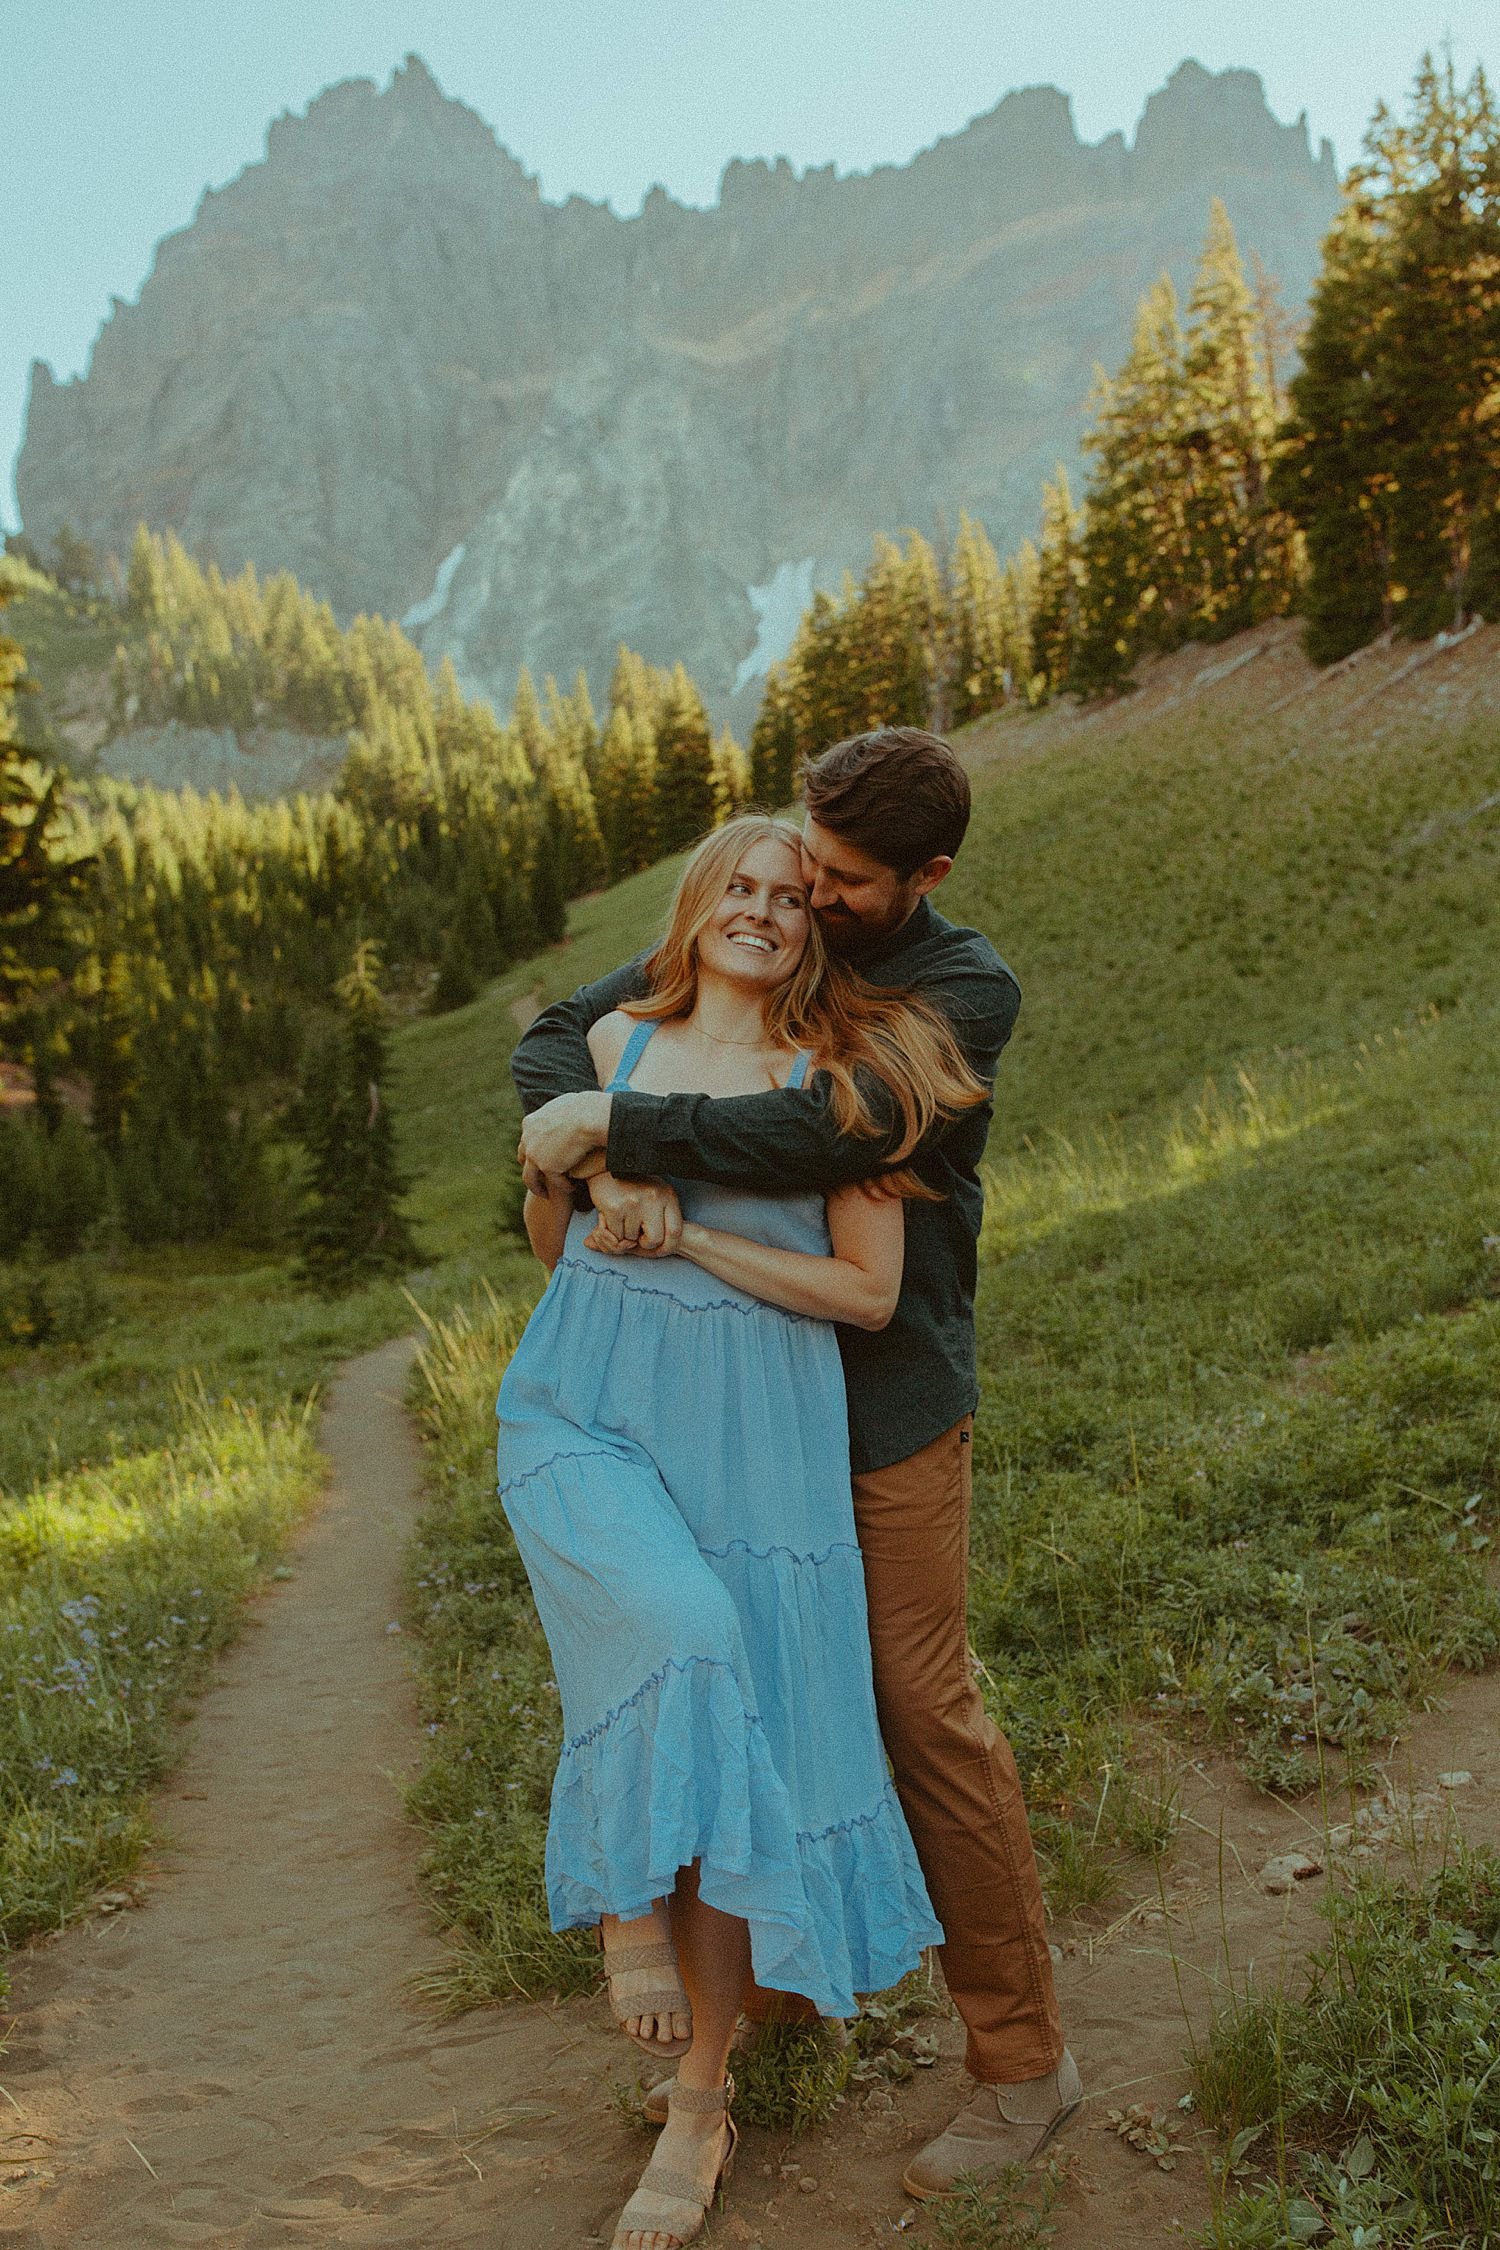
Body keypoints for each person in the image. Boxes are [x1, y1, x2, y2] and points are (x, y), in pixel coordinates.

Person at [514, 728, 1079, 2201]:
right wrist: (586, 1155)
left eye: (838, 880)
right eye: (797, 867)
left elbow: (834, 1124)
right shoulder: (772, 928)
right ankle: (729, 2020)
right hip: (714, 1393)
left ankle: (1024, 2068)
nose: (806, 899)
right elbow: (558, 1037)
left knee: (912, 1706)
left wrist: (625, 1127)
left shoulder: (962, 988)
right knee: (730, 1657)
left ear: (922, 878)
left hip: (876, 1404)